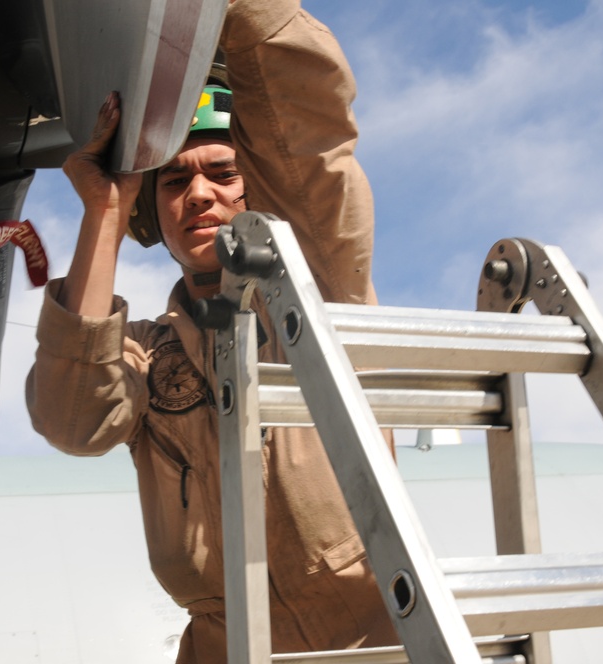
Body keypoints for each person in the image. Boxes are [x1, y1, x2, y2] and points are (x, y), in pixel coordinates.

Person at [26, 0, 398, 660]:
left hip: (372, 641)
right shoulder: (141, 348)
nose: (198, 196)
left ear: (259, 189)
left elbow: (308, 136)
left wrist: (233, 8)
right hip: (224, 645)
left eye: (223, 174)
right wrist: (105, 214)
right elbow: (72, 422)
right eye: (173, 181)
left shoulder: (321, 291)